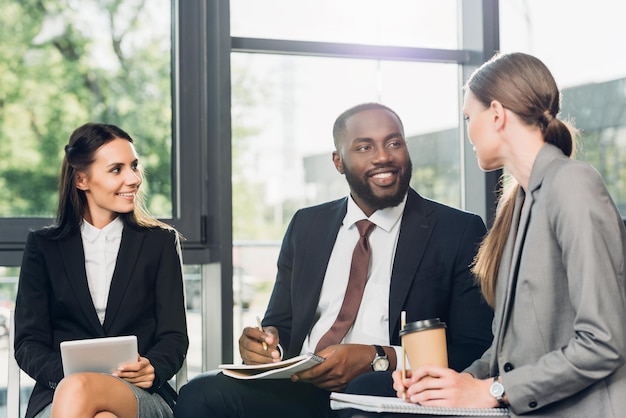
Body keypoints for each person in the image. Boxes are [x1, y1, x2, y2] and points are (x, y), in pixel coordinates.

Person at [174, 102, 493, 418]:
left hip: (390, 391)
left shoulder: (458, 230)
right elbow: (281, 326)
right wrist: (265, 347)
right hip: (302, 385)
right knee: (200, 393)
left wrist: (377, 357)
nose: (383, 156)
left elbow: (473, 347)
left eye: (394, 143)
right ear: (338, 162)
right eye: (364, 147)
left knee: (362, 393)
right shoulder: (306, 225)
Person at [393, 52, 626, 417]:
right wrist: (449, 387)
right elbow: (507, 354)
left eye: (470, 117)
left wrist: (493, 390)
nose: (468, 131)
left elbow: (604, 342)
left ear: (498, 115)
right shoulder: (516, 206)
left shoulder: (573, 185)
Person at [14, 123, 189, 418]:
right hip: (60, 394)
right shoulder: (43, 247)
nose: (134, 178)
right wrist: (70, 377)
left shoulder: (159, 243)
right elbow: (28, 343)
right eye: (116, 169)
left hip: (141, 395)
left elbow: (174, 336)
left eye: (134, 166)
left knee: (85, 394)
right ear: (82, 179)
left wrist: (153, 368)